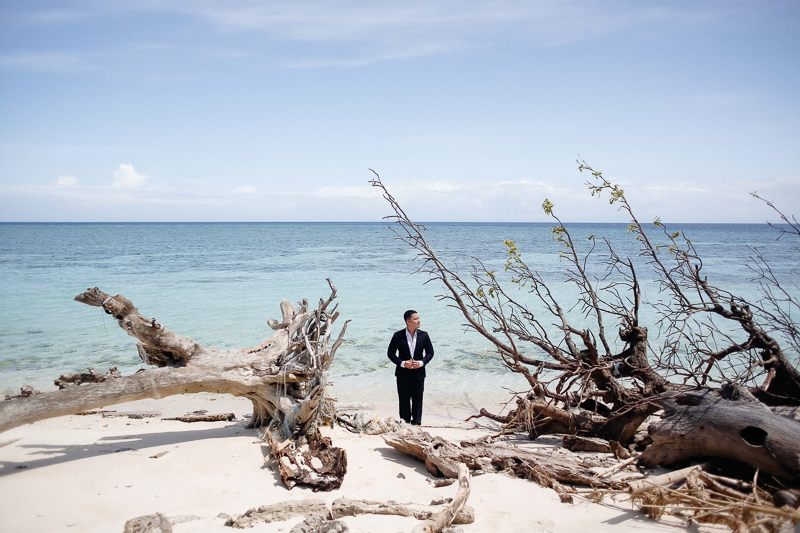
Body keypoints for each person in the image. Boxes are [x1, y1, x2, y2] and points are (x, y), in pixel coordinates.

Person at [387, 310, 434, 425]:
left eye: (419, 318)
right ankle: (405, 423)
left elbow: (430, 353)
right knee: (404, 400)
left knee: (418, 400)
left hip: (419, 373)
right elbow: (390, 354)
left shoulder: (424, 335)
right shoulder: (398, 336)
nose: (419, 321)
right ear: (408, 321)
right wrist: (402, 363)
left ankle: (417, 424)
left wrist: (421, 362)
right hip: (402, 374)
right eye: (415, 319)